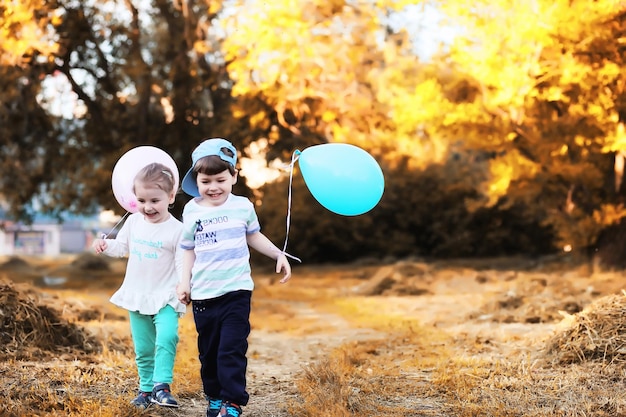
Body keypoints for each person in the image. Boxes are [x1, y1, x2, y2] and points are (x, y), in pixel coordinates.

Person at [176, 138, 292, 417]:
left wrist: (278, 254)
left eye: (220, 179)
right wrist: (184, 282)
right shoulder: (192, 210)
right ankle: (214, 396)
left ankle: (232, 402)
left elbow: (254, 236)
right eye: (206, 181)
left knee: (231, 349)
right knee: (209, 352)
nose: (213, 187)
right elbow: (188, 250)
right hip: (204, 294)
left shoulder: (242, 206)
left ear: (233, 177)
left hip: (236, 292)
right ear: (196, 181)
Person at [92, 162, 185, 409]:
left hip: (166, 295)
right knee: (143, 347)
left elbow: (182, 261)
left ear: (171, 196)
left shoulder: (178, 230)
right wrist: (106, 245)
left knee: (168, 336)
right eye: (142, 200)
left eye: (155, 200)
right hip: (137, 294)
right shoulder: (133, 222)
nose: (148, 207)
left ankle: (161, 386)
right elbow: (122, 247)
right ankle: (145, 390)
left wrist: (185, 285)